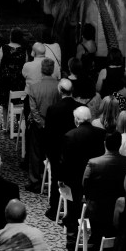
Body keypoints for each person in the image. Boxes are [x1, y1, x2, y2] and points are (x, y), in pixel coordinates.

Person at [82, 130, 126, 251]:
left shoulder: (93, 163)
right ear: (120, 144)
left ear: (105, 143)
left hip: (97, 210)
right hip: (121, 210)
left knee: (97, 236)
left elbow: (85, 184)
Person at [61, 105, 105, 249]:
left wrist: (62, 179)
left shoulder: (70, 135)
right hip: (96, 179)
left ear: (76, 120)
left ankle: (72, 239)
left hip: (75, 179)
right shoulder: (101, 133)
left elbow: (66, 162)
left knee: (73, 209)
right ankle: (94, 240)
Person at [44, 78, 81, 221]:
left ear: (60, 91)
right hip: (76, 151)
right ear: (72, 91)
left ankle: (55, 209)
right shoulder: (80, 107)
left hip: (57, 151)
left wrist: (48, 153)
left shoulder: (53, 109)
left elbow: (48, 133)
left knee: (56, 180)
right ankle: (74, 210)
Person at [26, 58, 61, 192]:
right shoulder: (59, 87)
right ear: (52, 70)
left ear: (41, 70)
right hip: (55, 125)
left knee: (35, 153)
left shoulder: (34, 87)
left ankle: (35, 181)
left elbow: (33, 110)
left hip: (39, 125)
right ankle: (53, 179)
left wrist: (41, 123)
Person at [0, 27, 27, 133]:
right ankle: (19, 123)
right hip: (19, 82)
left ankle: (5, 125)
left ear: (11, 36)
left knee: (5, 104)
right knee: (18, 102)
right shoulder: (24, 50)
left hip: (5, 81)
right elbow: (26, 65)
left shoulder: (4, 48)